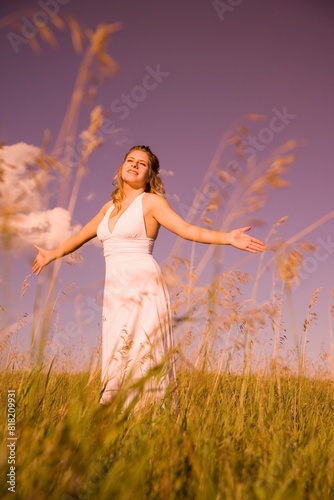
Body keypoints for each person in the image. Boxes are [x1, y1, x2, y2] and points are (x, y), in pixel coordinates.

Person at [32, 145, 265, 405]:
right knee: (118, 350)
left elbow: (186, 230)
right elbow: (79, 237)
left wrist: (228, 238)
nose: (134, 165)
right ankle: (117, 418)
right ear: (121, 168)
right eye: (130, 160)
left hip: (143, 284)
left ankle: (152, 417)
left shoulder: (151, 202)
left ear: (149, 174)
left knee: (144, 348)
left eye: (141, 164)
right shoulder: (107, 208)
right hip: (115, 289)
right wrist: (51, 254)